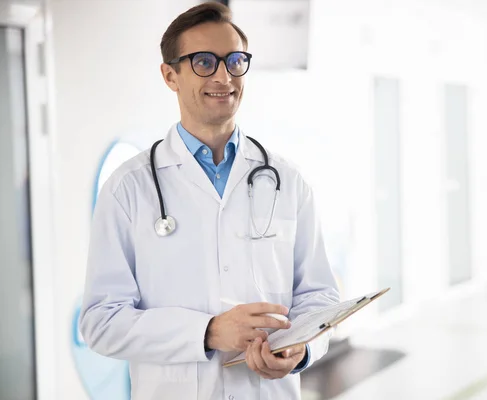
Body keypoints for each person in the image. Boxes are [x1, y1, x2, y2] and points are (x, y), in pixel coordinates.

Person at [78, 2, 340, 399]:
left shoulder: (287, 180)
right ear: (170, 75)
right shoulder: (127, 189)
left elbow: (319, 295)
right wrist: (209, 331)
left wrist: (301, 348)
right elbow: (101, 321)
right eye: (204, 61)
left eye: (235, 61)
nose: (224, 76)